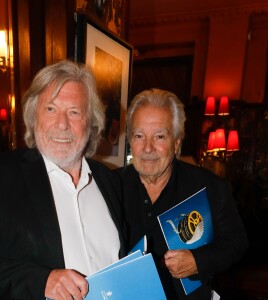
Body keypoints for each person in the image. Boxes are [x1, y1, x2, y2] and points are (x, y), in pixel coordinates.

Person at [0, 60, 126, 299]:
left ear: (90, 123)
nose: (62, 124)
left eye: (74, 112)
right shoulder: (5, 176)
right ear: (33, 116)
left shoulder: (109, 182)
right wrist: (41, 282)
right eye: (50, 109)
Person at [117, 88, 248, 299]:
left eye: (159, 136)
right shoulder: (110, 186)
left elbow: (236, 242)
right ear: (130, 141)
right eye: (139, 136)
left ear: (177, 142)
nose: (147, 148)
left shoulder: (209, 187)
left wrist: (198, 260)